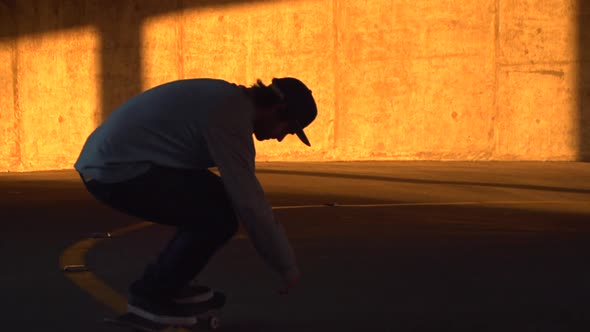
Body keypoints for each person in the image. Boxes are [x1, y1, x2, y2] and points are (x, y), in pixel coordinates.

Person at [74, 77, 317, 325]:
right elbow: (250, 203)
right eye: (287, 130)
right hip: (115, 173)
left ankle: (170, 283)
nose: (281, 138)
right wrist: (286, 266)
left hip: (118, 163)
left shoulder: (228, 100)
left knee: (216, 203)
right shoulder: (230, 118)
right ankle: (151, 295)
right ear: (278, 110)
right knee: (217, 217)